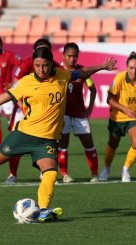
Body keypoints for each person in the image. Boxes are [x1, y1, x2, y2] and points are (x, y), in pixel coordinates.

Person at [0, 47, 117, 222]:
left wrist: (102, 66)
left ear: (52, 64)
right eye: (37, 65)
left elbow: (82, 72)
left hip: (46, 140)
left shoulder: (62, 75)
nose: (41, 69)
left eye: (45, 66)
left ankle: (43, 210)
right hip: (24, 134)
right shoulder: (25, 83)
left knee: (50, 173)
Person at [5, 38, 60, 184]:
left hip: (43, 112)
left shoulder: (56, 67)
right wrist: (22, 104)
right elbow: (15, 85)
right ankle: (12, 174)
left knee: (50, 140)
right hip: (22, 108)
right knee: (15, 143)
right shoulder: (26, 63)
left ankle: (46, 171)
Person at [98, 51, 136, 183]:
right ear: (127, 68)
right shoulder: (119, 78)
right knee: (113, 144)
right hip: (118, 117)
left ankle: (125, 169)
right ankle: (106, 169)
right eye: (131, 68)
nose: (134, 71)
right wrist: (124, 108)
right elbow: (109, 99)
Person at [57, 43, 99, 183]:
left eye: (75, 56)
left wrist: (90, 108)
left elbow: (92, 89)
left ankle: (95, 175)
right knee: (63, 145)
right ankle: (65, 175)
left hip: (80, 114)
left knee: (89, 143)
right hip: (63, 114)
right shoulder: (58, 71)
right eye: (69, 56)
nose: (72, 59)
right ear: (63, 56)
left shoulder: (82, 71)